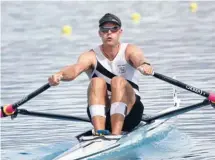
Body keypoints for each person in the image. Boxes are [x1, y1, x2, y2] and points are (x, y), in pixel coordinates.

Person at [48, 13, 154, 135]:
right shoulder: (90, 56)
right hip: (102, 115)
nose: (109, 33)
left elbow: (139, 59)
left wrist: (145, 65)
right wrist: (60, 74)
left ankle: (115, 135)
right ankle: (99, 133)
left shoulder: (130, 50)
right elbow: (75, 69)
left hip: (130, 114)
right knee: (96, 81)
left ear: (120, 32)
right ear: (99, 33)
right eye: (105, 30)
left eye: (114, 29)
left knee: (118, 81)